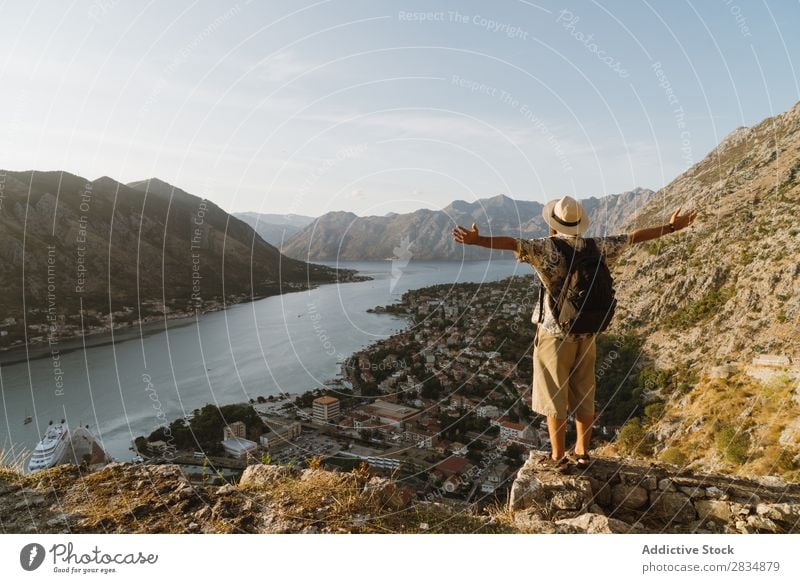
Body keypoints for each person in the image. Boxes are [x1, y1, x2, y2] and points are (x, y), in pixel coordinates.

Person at [452, 195, 697, 471]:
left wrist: (478, 240)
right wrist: (672, 227)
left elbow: (512, 242)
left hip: (554, 335)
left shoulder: (547, 249)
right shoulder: (597, 246)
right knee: (584, 392)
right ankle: (582, 451)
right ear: (579, 224)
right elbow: (634, 237)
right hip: (587, 332)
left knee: (552, 394)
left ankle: (558, 456)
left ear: (553, 226)